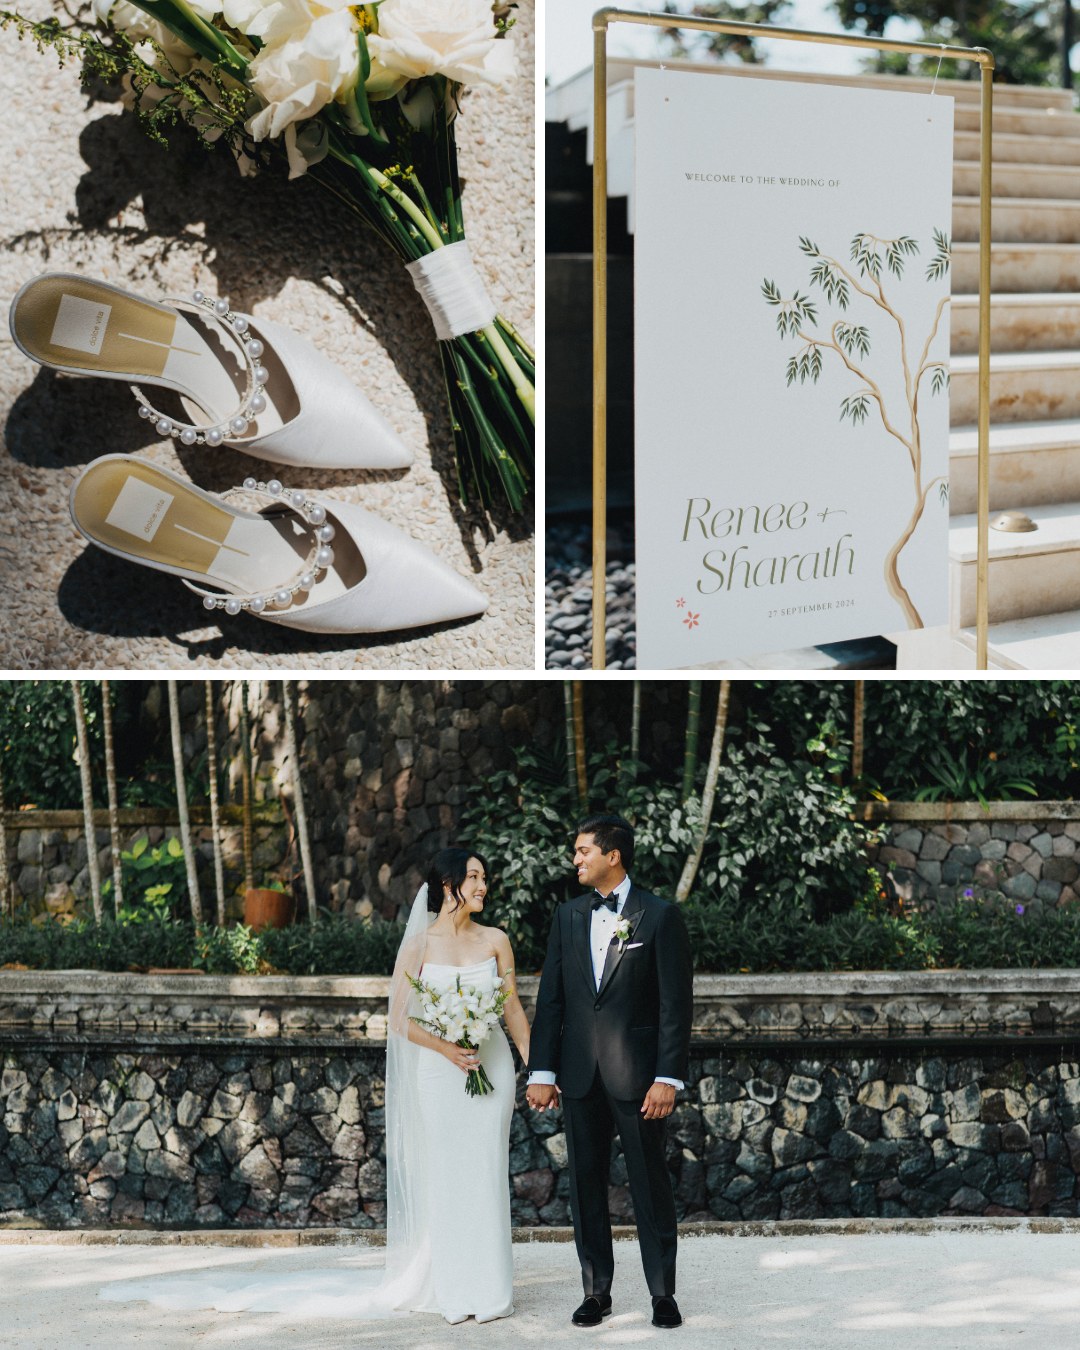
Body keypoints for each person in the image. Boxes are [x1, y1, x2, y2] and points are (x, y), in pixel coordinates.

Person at [99, 847, 530, 1325]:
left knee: (486, 1169)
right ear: (449, 885)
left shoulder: (496, 940)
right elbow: (398, 1019)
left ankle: (489, 1287)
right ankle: (455, 1286)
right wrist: (447, 1048)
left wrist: (538, 1069)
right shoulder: (420, 945)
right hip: (440, 1069)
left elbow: (511, 1008)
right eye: (474, 877)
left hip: (489, 1069)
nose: (483, 886)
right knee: (447, 1173)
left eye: (484, 878)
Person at [526, 812, 693, 1330]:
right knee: (585, 1185)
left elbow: (675, 1006)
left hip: (639, 1079)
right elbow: (551, 1000)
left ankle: (662, 1294)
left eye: (583, 851)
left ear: (612, 855)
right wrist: (542, 1070)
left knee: (650, 1185)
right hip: (578, 1075)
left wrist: (667, 1077)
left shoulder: (659, 916)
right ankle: (596, 1292)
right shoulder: (568, 916)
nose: (574, 859)